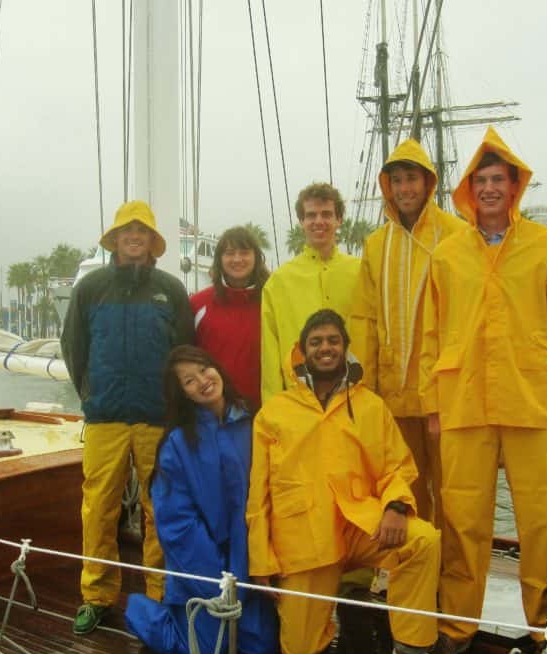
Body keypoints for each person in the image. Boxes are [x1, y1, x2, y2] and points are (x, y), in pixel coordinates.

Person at [420, 127, 547, 654]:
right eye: (482, 180)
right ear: (469, 190)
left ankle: (542, 632)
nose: (491, 188)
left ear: (515, 187)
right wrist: (433, 404)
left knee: (541, 520)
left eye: (500, 179)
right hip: (465, 403)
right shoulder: (447, 255)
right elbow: (431, 332)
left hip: (532, 401)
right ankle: (457, 627)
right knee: (462, 519)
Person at [246, 309, 457, 654]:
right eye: (316, 342)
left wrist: (395, 506)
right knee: (300, 652)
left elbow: (397, 466)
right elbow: (258, 493)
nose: (325, 348)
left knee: (423, 540)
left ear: (344, 348)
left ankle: (409, 652)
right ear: (302, 351)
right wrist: (262, 558)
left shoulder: (371, 405)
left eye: (333, 341)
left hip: (360, 524)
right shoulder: (275, 412)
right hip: (304, 538)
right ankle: (314, 608)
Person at [61, 200, 194, 636]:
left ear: (152, 242)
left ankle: (160, 594)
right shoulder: (90, 288)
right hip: (105, 418)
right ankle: (97, 595)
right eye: (126, 232)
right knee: (98, 508)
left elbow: (184, 353)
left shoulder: (171, 291)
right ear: (115, 239)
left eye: (141, 232)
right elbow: (74, 348)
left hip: (157, 417)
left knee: (161, 510)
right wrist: (90, 392)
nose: (133, 238)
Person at [124, 346, 278, 654]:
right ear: (183, 395)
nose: (203, 381)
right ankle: (143, 612)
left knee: (263, 648)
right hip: (202, 571)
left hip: (248, 565)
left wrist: (258, 567)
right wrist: (216, 585)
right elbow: (178, 526)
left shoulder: (253, 422)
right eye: (189, 381)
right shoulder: (176, 445)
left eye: (205, 369)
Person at [350, 138, 468, 524]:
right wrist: (364, 390)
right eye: (397, 180)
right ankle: (416, 573)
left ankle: (452, 582)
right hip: (393, 397)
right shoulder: (375, 244)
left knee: (455, 491)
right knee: (406, 491)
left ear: (428, 182)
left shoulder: (456, 235)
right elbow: (365, 320)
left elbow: (466, 317)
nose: (405, 188)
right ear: (387, 186)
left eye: (412, 178)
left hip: (446, 396)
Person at [260, 183, 360, 404]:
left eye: (326, 214)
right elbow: (270, 352)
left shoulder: (361, 273)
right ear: (301, 221)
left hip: (354, 396)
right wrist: (273, 406)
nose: (318, 222)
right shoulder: (279, 282)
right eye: (311, 215)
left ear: (339, 219)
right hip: (299, 399)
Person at [189, 226, 271, 411]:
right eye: (229, 253)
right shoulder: (197, 304)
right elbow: (186, 360)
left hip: (262, 411)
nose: (237, 259)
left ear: (256, 257)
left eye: (244, 253)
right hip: (214, 411)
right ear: (219, 259)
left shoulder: (273, 302)